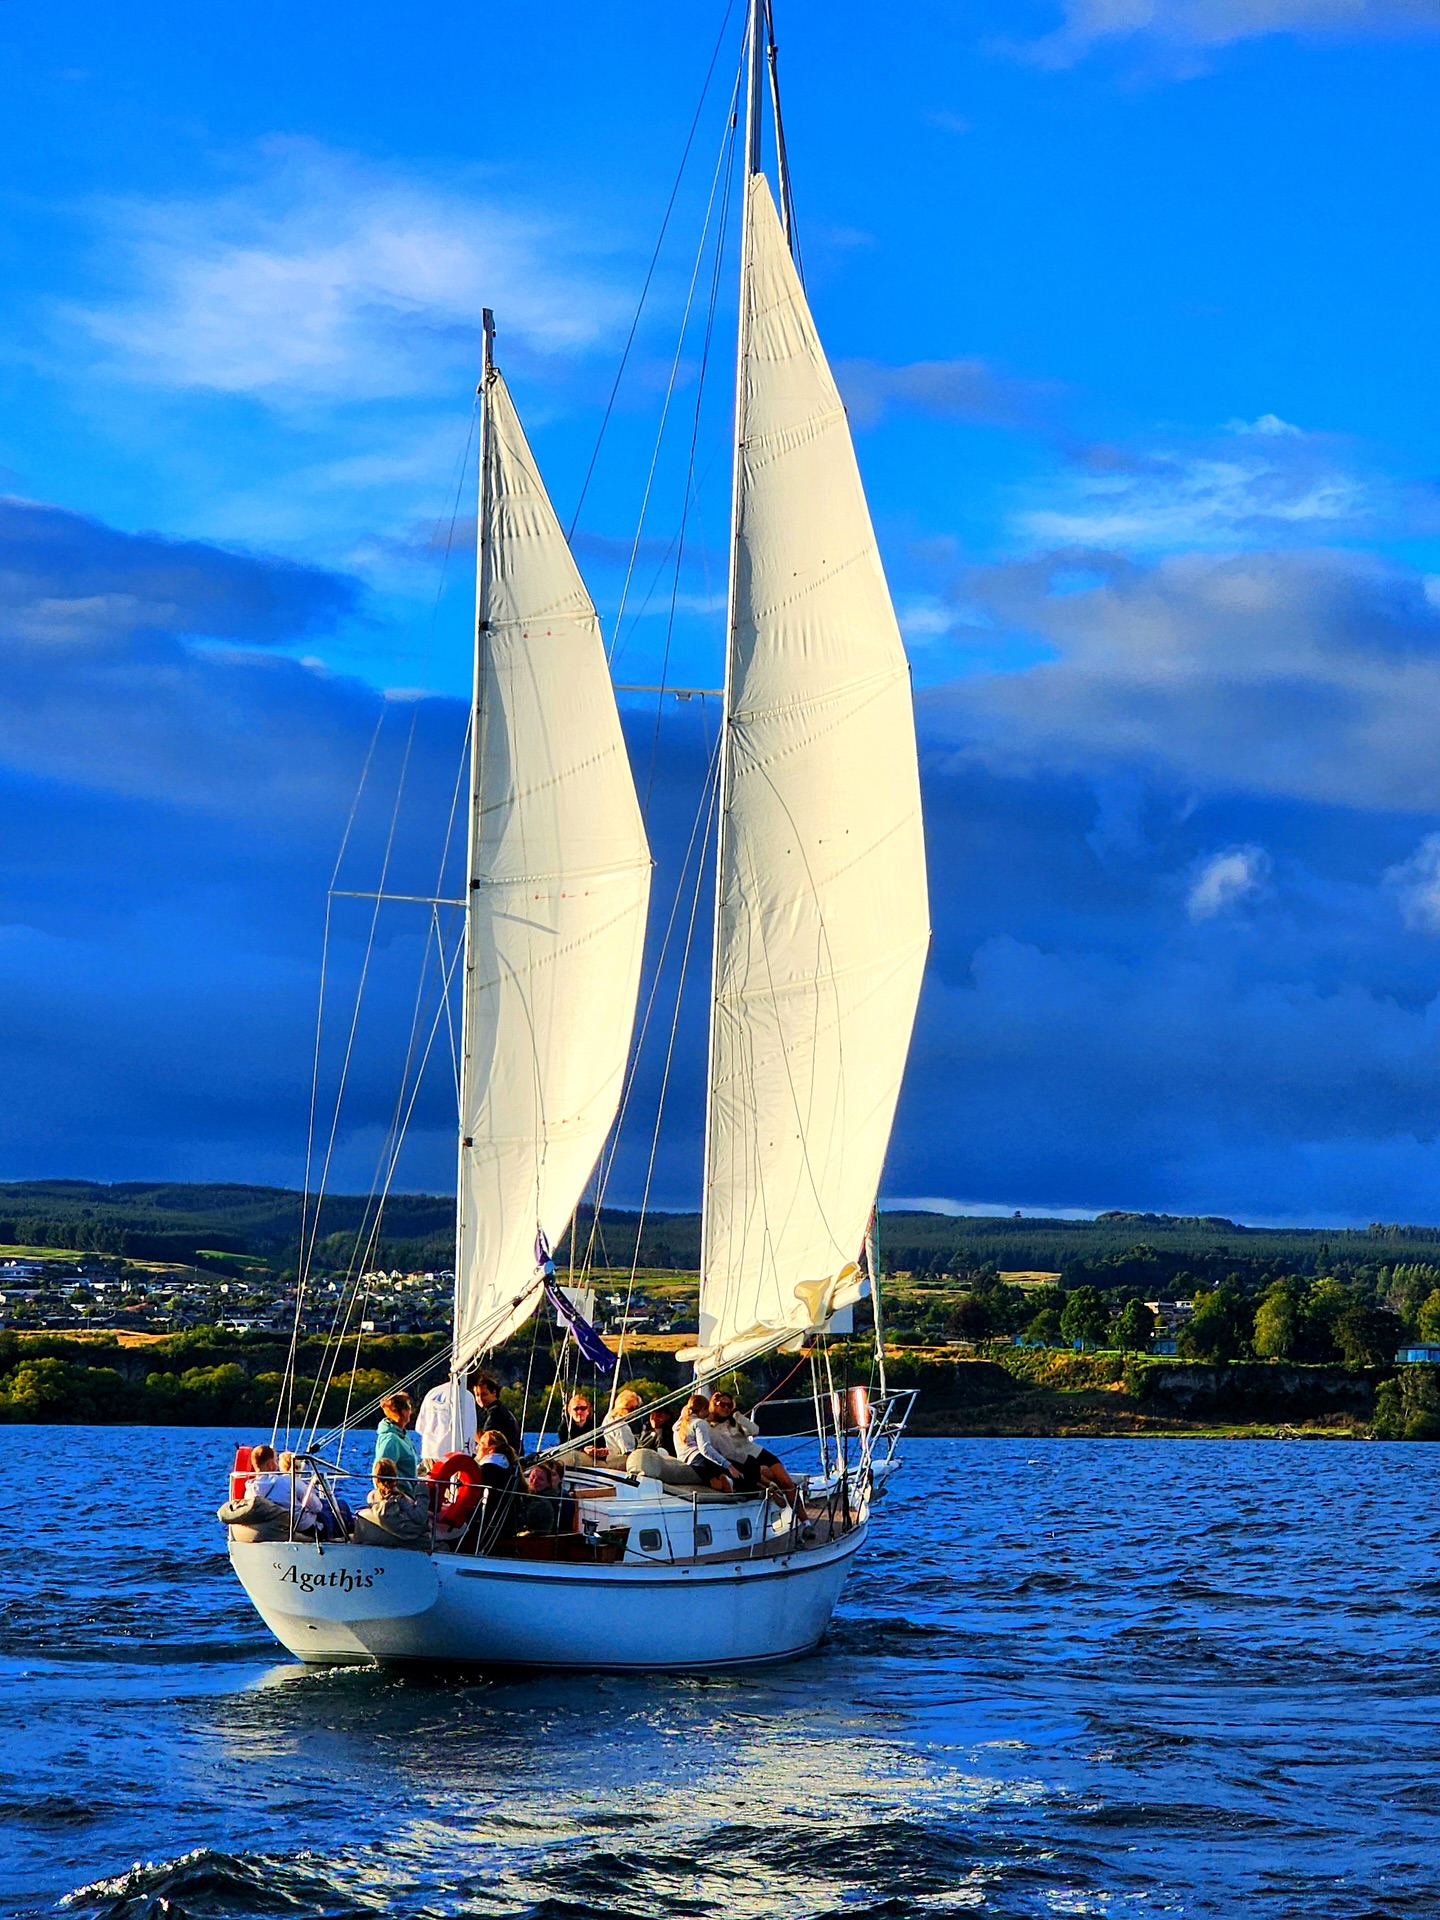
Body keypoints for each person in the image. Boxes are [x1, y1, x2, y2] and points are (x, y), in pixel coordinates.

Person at [704, 1387, 797, 1496]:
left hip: (758, 1453)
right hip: (744, 1460)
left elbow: (755, 1430)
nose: (726, 1408)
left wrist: (737, 1415)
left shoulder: (735, 1421)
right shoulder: (709, 1426)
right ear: (714, 1405)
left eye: (729, 1405)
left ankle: (800, 1512)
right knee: (767, 1473)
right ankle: (773, 1490)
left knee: (787, 1483)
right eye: (722, 1404)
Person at [352, 1458, 428, 1550]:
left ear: (376, 1479)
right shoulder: (400, 1499)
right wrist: (422, 1490)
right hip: (405, 1542)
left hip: (378, 1540)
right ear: (395, 1476)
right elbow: (419, 1517)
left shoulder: (371, 1497)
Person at [675, 1393, 739, 1493]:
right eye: (707, 1410)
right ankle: (726, 1480)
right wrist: (728, 1465)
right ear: (703, 1409)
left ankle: (719, 1481)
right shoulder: (700, 1423)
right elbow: (705, 1449)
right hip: (700, 1459)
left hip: (687, 1462)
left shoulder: (678, 1427)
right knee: (736, 1474)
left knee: (712, 1478)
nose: (707, 1414)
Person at [414, 1376, 476, 1468]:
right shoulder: (466, 1396)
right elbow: (470, 1428)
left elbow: (420, 1427)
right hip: (455, 1454)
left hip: (430, 1451)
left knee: (432, 1480)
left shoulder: (433, 1393)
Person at [517, 1460, 577, 1537]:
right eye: (533, 1476)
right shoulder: (530, 1496)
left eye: (553, 1474)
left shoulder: (564, 1501)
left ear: (560, 1478)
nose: (535, 1481)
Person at [375, 1392, 419, 1489]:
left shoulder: (403, 1435)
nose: (411, 1412)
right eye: (409, 1408)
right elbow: (380, 1471)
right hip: (400, 1496)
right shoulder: (391, 1439)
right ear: (403, 1412)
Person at [473, 1372, 522, 1455]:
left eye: (484, 1394)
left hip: (504, 1458)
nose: (480, 1398)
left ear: (494, 1393)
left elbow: (486, 1440)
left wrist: (467, 1430)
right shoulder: (501, 1409)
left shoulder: (495, 1412)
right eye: (477, 1395)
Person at [556, 1391, 604, 1464]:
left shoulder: (596, 1426)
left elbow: (602, 1446)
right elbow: (563, 1449)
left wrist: (598, 1451)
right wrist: (583, 1450)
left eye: (583, 1408)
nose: (579, 1411)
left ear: (588, 1411)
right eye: (576, 1409)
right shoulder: (564, 1428)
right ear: (569, 1412)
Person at [600, 1387, 643, 1465]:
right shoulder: (621, 1426)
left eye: (636, 1408)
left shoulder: (609, 1417)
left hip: (609, 1460)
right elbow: (629, 1454)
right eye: (630, 1409)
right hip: (619, 1465)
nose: (634, 1412)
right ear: (621, 1406)